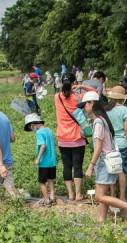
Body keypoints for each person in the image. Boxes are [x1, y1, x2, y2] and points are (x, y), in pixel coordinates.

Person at [79, 91, 127, 222]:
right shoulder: (103, 119)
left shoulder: (98, 122)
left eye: (84, 105)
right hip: (110, 161)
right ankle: (101, 221)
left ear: (91, 103)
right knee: (103, 195)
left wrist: (90, 166)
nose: (83, 108)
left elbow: (98, 147)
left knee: (99, 197)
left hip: (104, 162)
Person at [54, 73, 87, 201]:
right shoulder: (79, 97)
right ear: (74, 83)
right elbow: (96, 91)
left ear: (61, 83)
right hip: (77, 137)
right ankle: (78, 194)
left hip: (62, 137)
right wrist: (81, 86)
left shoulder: (57, 97)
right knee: (77, 166)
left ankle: (70, 194)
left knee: (67, 166)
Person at [106, 86, 127, 201]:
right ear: (122, 98)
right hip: (121, 143)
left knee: (111, 169)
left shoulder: (106, 109)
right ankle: (122, 197)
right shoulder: (124, 110)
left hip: (109, 143)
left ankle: (112, 195)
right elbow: (126, 129)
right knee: (121, 171)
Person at [25, 113, 57, 205]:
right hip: (52, 161)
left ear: (33, 124)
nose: (32, 129)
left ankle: (47, 200)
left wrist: (38, 158)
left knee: (42, 182)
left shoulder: (39, 132)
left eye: (31, 127)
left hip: (44, 162)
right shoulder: (49, 130)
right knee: (50, 179)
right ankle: (52, 197)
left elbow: (43, 145)